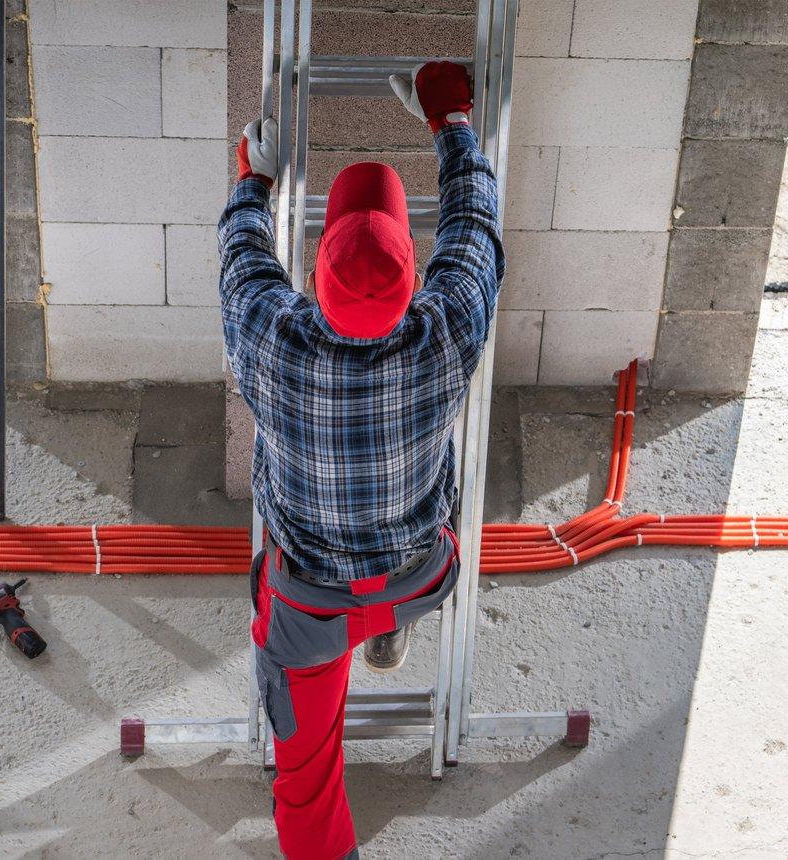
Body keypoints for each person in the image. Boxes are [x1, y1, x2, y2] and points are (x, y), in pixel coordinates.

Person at [217, 60, 504, 860]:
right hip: (421, 574)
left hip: (310, 608)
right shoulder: (445, 332)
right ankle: (383, 626)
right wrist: (449, 122)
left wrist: (256, 181)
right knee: (390, 587)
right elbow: (475, 233)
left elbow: (240, 260)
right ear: (414, 279)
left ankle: (356, 636)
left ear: (314, 275)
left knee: (304, 771)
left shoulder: (274, 342)